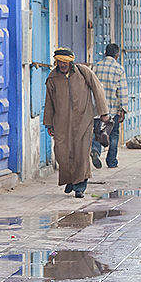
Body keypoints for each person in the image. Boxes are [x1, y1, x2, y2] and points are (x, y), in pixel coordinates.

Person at [43, 48, 110, 199]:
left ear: (70, 61)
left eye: (64, 62)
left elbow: (97, 89)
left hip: (83, 120)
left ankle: (80, 186)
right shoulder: (53, 77)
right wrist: (48, 123)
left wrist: (103, 113)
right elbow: (49, 102)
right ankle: (69, 180)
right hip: (61, 122)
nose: (62, 64)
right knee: (62, 153)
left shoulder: (83, 72)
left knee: (81, 153)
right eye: (59, 62)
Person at [90, 43, 128, 169]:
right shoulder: (119, 69)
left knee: (98, 132)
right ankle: (112, 161)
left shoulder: (96, 67)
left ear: (105, 53)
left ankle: (95, 150)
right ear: (117, 55)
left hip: (97, 108)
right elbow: (122, 91)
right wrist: (123, 109)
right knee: (113, 134)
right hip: (112, 109)